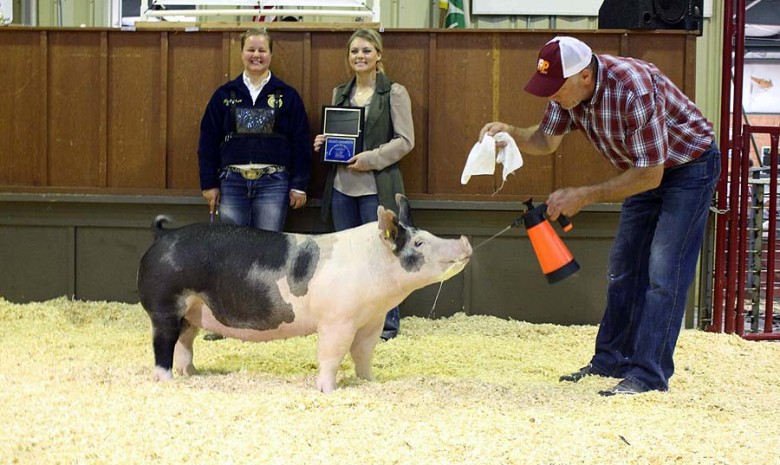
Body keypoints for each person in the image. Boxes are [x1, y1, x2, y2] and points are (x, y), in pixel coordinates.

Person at [480, 36, 721, 396]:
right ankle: (610, 361)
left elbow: (651, 175)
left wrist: (585, 195)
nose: (551, 96)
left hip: (688, 168)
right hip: (642, 168)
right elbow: (546, 141)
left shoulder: (633, 88)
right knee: (623, 268)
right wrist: (509, 133)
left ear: (585, 78)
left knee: (663, 273)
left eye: (556, 88)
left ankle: (649, 376)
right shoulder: (567, 92)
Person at [198, 28, 311, 340]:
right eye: (251, 50)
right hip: (232, 182)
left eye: (262, 50)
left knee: (268, 252)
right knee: (230, 252)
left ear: (271, 54)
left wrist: (299, 184)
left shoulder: (287, 96)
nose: (256, 56)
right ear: (242, 53)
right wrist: (209, 183)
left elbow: (301, 143)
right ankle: (225, 321)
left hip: (273, 183)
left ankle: (262, 319)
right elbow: (207, 141)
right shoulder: (224, 95)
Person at [313, 29, 415, 341]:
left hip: (376, 188)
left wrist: (369, 158)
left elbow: (405, 141)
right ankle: (353, 322)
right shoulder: (339, 93)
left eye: (367, 51)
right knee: (349, 260)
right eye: (355, 51)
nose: (360, 56)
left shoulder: (394, 93)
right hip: (342, 188)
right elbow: (340, 136)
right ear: (349, 57)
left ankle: (387, 324)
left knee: (383, 256)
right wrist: (324, 142)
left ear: (378, 55)